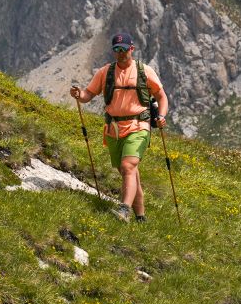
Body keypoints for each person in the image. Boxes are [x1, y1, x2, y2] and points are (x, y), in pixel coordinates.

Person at [70, 32, 168, 223]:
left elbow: (162, 96)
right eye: (116, 49)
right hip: (114, 128)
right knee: (129, 172)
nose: (121, 53)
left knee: (127, 165)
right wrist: (78, 94)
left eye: (124, 49)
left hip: (139, 126)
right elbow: (88, 94)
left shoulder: (144, 71)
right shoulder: (105, 72)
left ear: (132, 49)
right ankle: (140, 217)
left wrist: (161, 116)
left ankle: (124, 210)